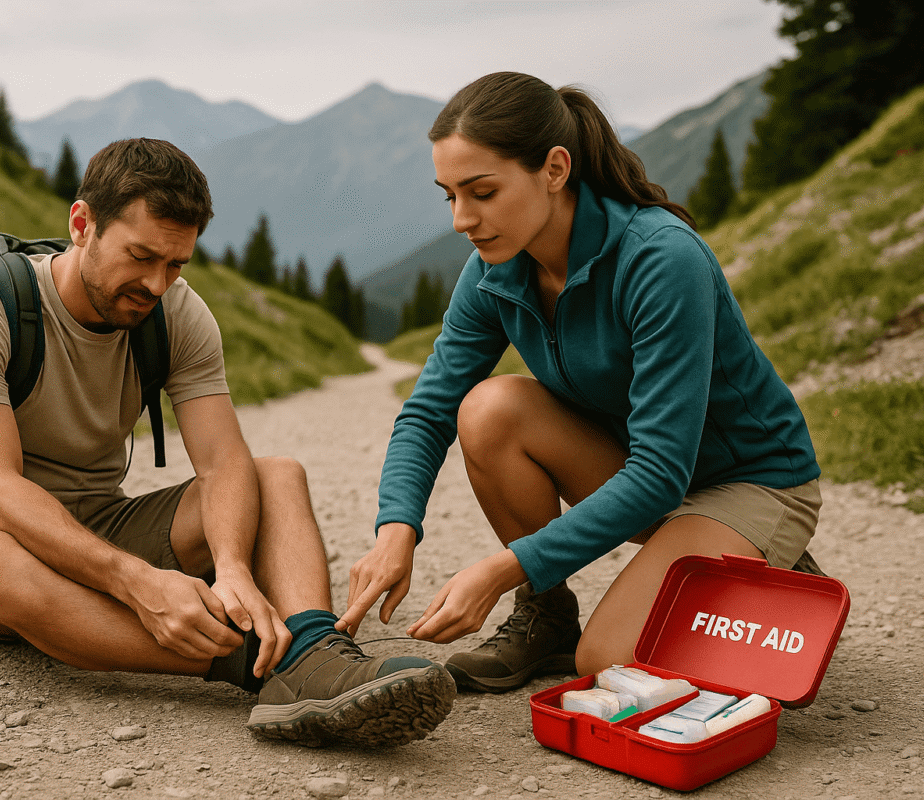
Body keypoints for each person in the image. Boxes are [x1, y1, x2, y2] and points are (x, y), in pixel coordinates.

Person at [0, 138, 455, 745]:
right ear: (82, 223)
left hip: (102, 518)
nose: (156, 283)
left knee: (275, 475)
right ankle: (254, 664)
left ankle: (315, 651)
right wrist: (137, 583)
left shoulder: (176, 313)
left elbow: (223, 462)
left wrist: (234, 568)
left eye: (175, 264)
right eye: (141, 255)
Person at [337, 73, 825, 693]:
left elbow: (660, 472)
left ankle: (771, 575)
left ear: (555, 169)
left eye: (482, 192)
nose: (463, 219)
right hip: (644, 476)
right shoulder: (496, 268)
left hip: (747, 483)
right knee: (489, 409)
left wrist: (503, 569)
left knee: (609, 662)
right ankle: (548, 618)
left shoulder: (660, 257)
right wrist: (394, 532)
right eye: (449, 196)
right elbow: (428, 410)